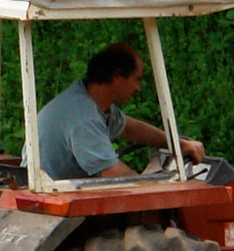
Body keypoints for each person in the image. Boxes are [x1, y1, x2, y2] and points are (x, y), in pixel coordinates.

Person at [30, 42, 206, 180]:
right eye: (136, 79)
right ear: (117, 75)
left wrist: (178, 144)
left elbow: (130, 129)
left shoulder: (91, 102)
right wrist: (156, 189)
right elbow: (113, 173)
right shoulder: (83, 117)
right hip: (56, 205)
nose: (138, 88)